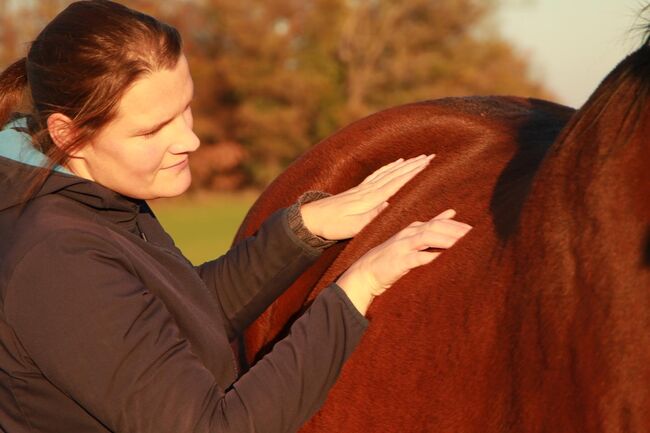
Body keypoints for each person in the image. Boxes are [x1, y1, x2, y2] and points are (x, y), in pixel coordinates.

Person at [0, 1, 472, 432]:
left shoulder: (93, 199)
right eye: (152, 130)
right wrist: (356, 289)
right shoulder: (59, 257)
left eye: (185, 109)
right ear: (69, 133)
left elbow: (182, 316)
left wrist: (304, 230)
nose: (189, 141)